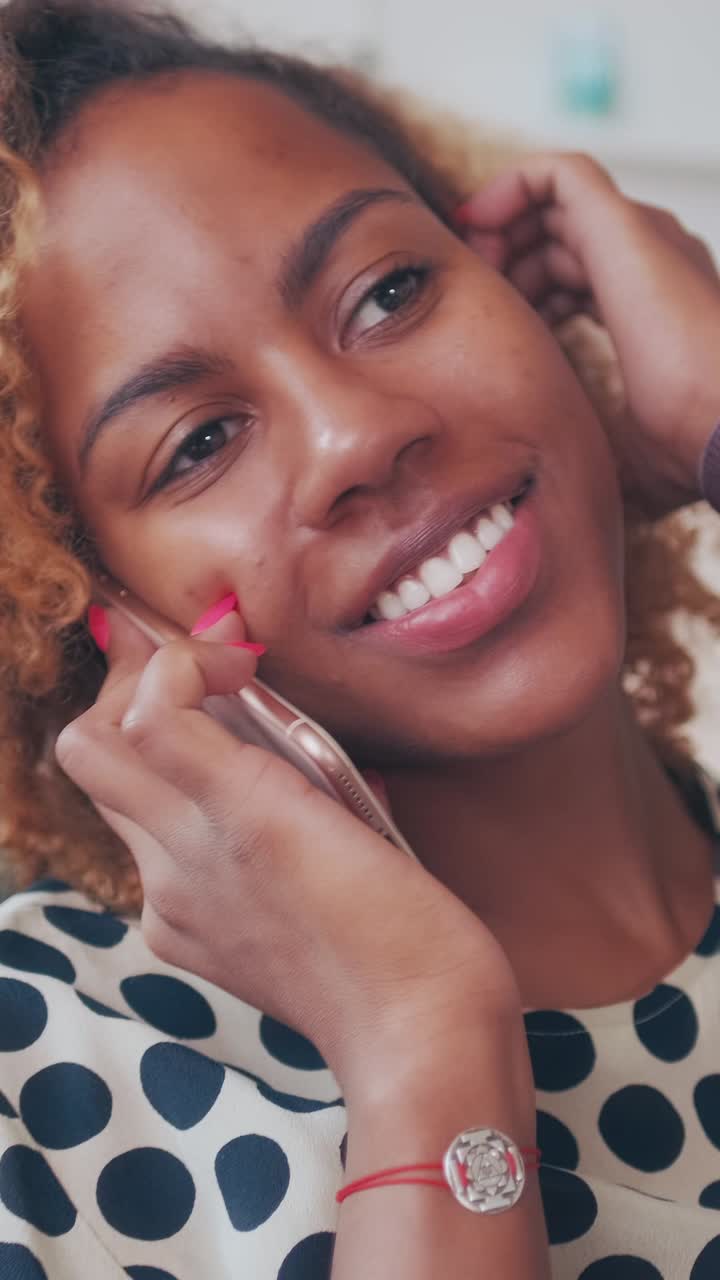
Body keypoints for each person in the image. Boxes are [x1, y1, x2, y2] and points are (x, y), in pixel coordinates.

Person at [0, 2, 719, 1276]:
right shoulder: (40, 1082)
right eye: (199, 442)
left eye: (388, 290)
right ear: (74, 603)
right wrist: (419, 1043)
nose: (354, 434)